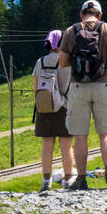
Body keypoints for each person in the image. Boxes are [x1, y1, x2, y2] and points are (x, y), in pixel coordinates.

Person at [57, 0, 107, 190]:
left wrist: (79, 63)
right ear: (100, 15)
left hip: (79, 87)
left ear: (81, 14)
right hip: (104, 85)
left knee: (80, 135)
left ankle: (81, 179)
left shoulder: (71, 31)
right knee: (105, 133)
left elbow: (62, 62)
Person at [32, 29, 75, 192]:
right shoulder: (67, 61)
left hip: (44, 108)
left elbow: (36, 87)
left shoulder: (40, 62)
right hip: (64, 107)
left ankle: (46, 180)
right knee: (66, 145)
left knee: (47, 145)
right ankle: (68, 178)